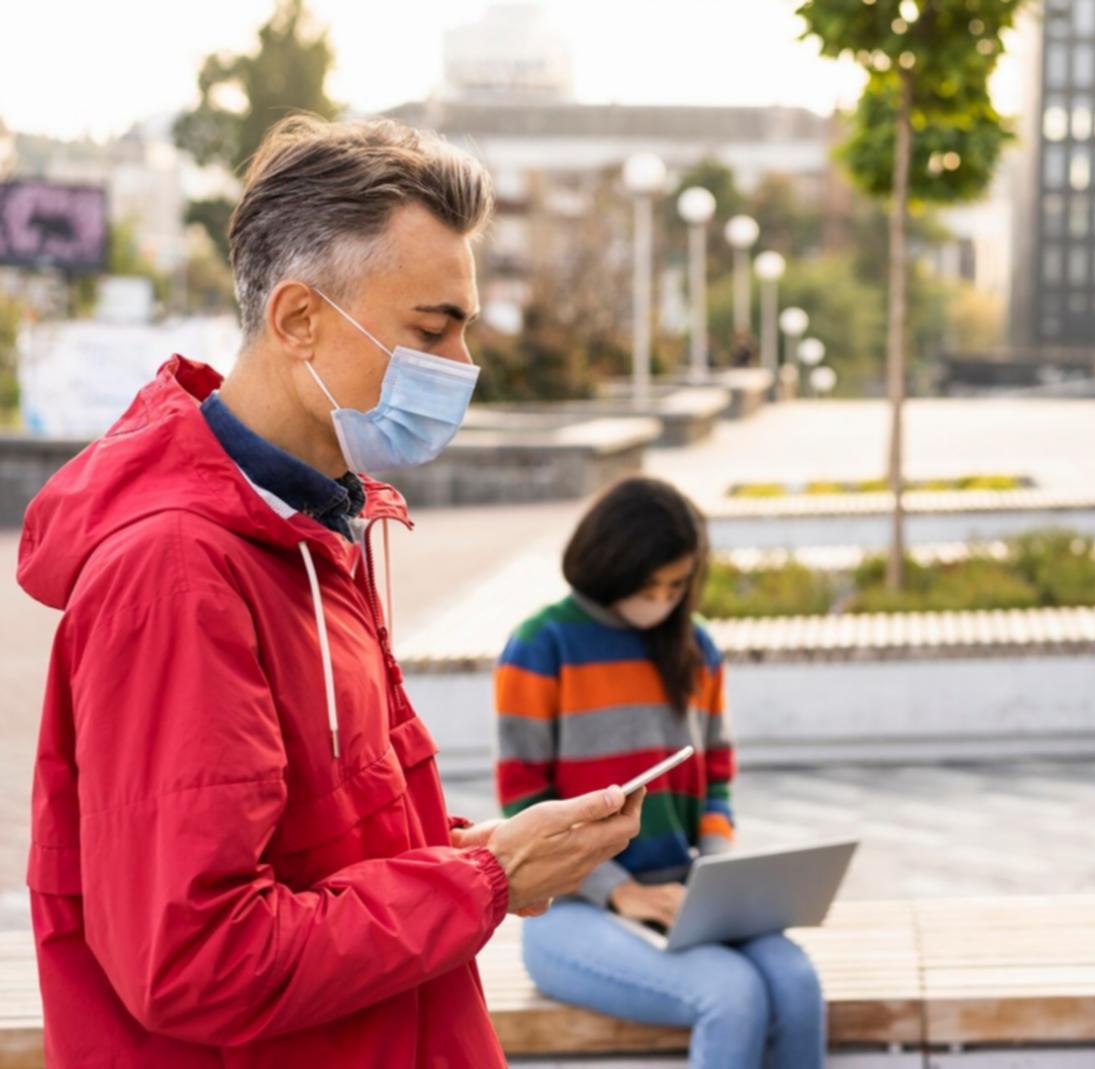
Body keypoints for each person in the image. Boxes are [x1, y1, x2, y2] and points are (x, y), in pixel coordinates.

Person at [17, 116, 644, 1068]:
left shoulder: (313, 528)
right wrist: (484, 876)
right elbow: (198, 956)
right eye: (432, 328)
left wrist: (480, 849)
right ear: (299, 317)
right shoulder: (178, 572)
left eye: (463, 327)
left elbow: (321, 846)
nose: (461, 367)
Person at [494, 476, 826, 1068]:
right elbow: (525, 806)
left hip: (685, 901)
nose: (664, 600)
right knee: (731, 993)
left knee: (798, 986)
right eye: (650, 585)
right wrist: (619, 890)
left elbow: (718, 775)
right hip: (570, 911)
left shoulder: (694, 648)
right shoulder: (542, 644)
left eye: (677, 585)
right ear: (610, 565)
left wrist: (722, 871)